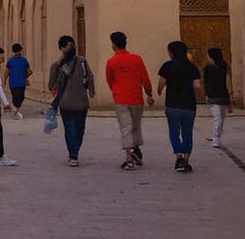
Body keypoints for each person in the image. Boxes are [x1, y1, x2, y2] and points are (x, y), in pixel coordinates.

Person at [105, 31, 154, 171]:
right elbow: (145, 79)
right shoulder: (137, 59)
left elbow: (110, 80)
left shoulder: (111, 62)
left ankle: (129, 159)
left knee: (125, 127)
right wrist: (149, 94)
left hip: (121, 99)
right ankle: (136, 149)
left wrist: (116, 90)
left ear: (114, 44)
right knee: (136, 126)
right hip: (137, 98)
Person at [48, 35, 96, 167]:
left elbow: (89, 76)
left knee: (80, 129)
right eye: (68, 46)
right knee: (70, 129)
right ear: (61, 48)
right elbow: (51, 85)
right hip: (66, 103)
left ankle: (74, 151)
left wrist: (91, 90)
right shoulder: (57, 65)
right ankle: (73, 154)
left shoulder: (82, 61)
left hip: (81, 102)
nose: (71, 48)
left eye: (72, 45)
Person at [158, 40, 202, 172]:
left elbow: (161, 83)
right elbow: (197, 85)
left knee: (174, 132)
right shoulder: (192, 67)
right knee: (187, 133)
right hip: (189, 105)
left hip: (173, 104)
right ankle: (186, 161)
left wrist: (159, 91)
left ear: (171, 52)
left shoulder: (167, 66)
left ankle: (179, 157)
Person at [204, 48, 233, 148]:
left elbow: (228, 83)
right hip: (214, 97)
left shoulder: (223, 67)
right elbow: (206, 83)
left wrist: (230, 99)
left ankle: (217, 136)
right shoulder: (208, 68)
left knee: (221, 119)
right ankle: (216, 138)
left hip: (222, 97)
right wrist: (207, 95)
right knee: (218, 118)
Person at [3, 43, 32, 119]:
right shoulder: (10, 61)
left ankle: (16, 109)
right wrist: (4, 81)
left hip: (22, 82)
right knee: (16, 96)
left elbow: (28, 71)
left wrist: (28, 74)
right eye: (16, 51)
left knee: (22, 96)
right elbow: (7, 72)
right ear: (14, 51)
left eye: (19, 51)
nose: (18, 52)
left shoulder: (24, 60)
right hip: (13, 83)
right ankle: (17, 111)